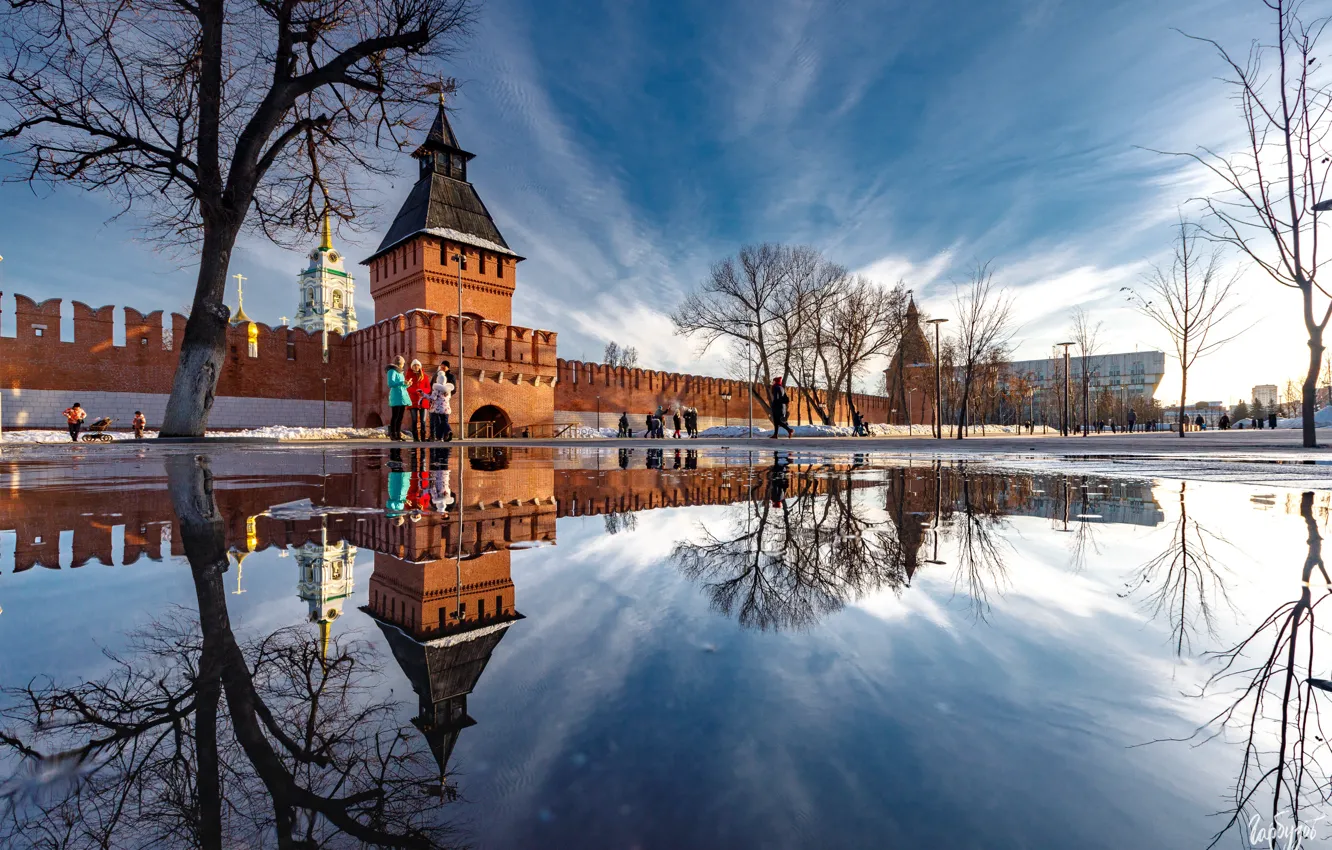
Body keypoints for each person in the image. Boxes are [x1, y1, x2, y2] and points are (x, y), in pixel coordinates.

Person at [405, 359, 431, 441]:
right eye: (414, 365)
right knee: (414, 420)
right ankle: (415, 438)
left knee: (423, 420)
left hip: (423, 400)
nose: (416, 367)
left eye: (417, 365)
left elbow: (428, 388)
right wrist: (415, 391)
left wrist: (422, 392)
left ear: (420, 366)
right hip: (413, 400)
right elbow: (407, 387)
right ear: (412, 367)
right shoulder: (408, 376)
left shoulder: (425, 376)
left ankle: (423, 437)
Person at [386, 357, 410, 441]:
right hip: (396, 396)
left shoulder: (400, 373)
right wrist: (402, 382)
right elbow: (390, 383)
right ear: (400, 363)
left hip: (402, 396)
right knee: (395, 416)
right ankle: (393, 434)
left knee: (400, 416)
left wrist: (407, 384)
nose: (403, 365)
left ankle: (398, 434)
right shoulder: (391, 371)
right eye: (403, 363)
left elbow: (402, 385)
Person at [430, 367, 454, 442]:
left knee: (439, 423)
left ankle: (440, 436)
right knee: (445, 422)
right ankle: (446, 433)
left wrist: (423, 395)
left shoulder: (436, 389)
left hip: (438, 408)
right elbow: (449, 397)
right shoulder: (448, 390)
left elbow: (432, 398)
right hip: (446, 409)